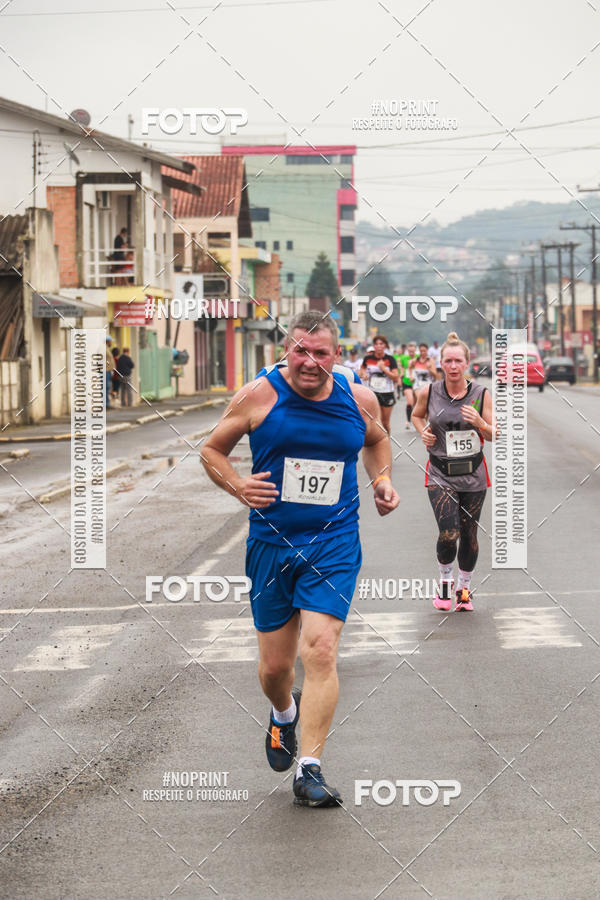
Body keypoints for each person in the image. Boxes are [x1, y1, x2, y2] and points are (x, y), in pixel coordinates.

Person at [202, 310, 400, 808]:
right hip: (272, 545)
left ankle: (309, 768)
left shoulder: (359, 399)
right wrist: (238, 483)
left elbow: (377, 441)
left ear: (337, 355)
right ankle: (283, 714)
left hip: (333, 543)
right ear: (285, 350)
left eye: (321, 353)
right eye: (300, 351)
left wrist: (382, 480)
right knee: (275, 669)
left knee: (322, 650)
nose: (310, 363)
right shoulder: (258, 395)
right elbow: (211, 451)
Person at [412, 331, 495, 613]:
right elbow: (416, 414)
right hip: (440, 471)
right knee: (449, 531)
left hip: (473, 474)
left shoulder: (482, 394)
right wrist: (422, 430)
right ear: (441, 364)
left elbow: (496, 434)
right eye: (448, 361)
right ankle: (445, 583)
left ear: (467, 363)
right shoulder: (430, 391)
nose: (453, 366)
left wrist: (481, 424)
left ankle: (464, 589)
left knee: (469, 535)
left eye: (458, 361)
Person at [359, 335, 399, 435]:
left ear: (385, 346)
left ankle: (386, 442)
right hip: (372, 393)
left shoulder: (390, 359)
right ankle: (377, 444)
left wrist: (384, 369)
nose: (379, 346)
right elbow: (361, 370)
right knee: (375, 421)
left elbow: (396, 377)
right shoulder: (368, 358)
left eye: (381, 344)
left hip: (387, 393)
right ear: (374, 346)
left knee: (385, 423)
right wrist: (363, 374)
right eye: (376, 344)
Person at [398, 341, 418, 430]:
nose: (411, 353)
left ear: (416, 350)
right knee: (410, 402)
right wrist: (400, 376)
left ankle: (417, 421)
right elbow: (402, 368)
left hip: (417, 383)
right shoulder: (404, 358)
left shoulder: (419, 358)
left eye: (413, 351)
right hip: (407, 382)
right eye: (410, 351)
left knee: (417, 403)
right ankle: (408, 421)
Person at [105, 336, 114, 409]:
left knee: (108, 387)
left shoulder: (107, 348)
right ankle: (106, 403)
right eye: (111, 341)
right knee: (106, 387)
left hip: (108, 370)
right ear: (108, 341)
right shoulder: (103, 348)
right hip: (105, 370)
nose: (111, 342)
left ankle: (107, 402)